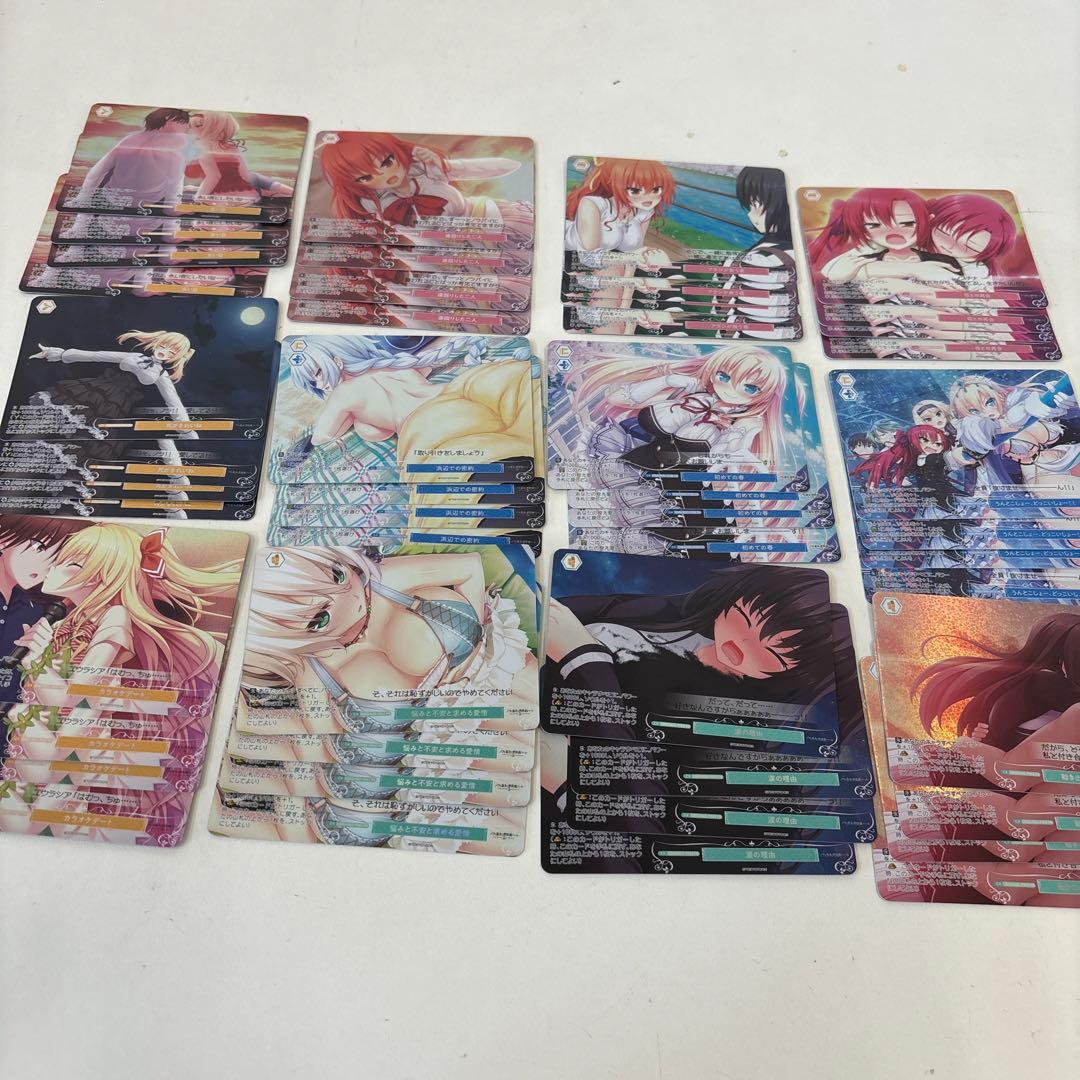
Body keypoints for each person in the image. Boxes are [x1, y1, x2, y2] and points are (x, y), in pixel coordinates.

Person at [241, 547, 537, 736]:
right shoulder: (313, 670)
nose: (348, 597)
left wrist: (477, 630)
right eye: (320, 618)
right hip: (455, 749)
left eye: (337, 575)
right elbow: (322, 738)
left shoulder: (386, 580)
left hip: (506, 671)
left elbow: (470, 566)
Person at [14, 524, 243, 719]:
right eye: (61, 559)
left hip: (85, 730)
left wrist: (37, 657)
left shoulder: (114, 617)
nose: (54, 566)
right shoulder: (65, 622)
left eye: (71, 564)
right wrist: (35, 655)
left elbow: (72, 694)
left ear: (101, 577)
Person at [70, 107, 194, 210]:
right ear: (168, 119)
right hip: (142, 206)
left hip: (111, 198)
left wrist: (82, 198)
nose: (186, 128)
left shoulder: (129, 140)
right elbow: (174, 189)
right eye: (183, 123)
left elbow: (96, 172)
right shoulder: (175, 151)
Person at [564, 158, 675, 254]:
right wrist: (633, 258)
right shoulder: (593, 204)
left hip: (607, 261)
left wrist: (643, 258)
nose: (649, 197)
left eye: (656, 189)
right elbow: (588, 256)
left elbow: (635, 251)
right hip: (564, 251)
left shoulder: (645, 212)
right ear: (616, 186)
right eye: (635, 190)